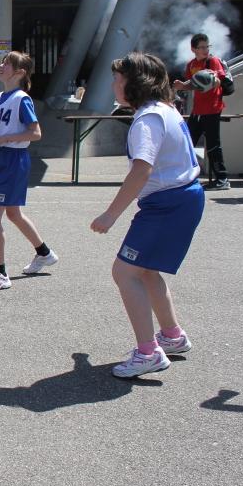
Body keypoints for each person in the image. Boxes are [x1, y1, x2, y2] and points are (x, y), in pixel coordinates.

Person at [91, 52, 204, 378]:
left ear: (135, 83)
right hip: (183, 199)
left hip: (166, 204)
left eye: (118, 78)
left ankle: (148, 353)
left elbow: (142, 169)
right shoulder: (165, 110)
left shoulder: (147, 119)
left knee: (124, 272)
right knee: (146, 271)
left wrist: (111, 215)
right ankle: (171, 336)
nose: (114, 84)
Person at [0, 51, 58, 293]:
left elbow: (35, 133)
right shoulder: (0, 97)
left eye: (6, 63)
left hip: (13, 159)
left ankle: (0, 273)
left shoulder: (22, 99)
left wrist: (6, 138)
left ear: (20, 72)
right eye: (1, 62)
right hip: (1, 157)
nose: (1, 66)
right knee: (13, 213)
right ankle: (44, 252)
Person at [172, 33, 230, 190]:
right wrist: (182, 86)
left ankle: (222, 179)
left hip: (212, 108)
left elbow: (218, 80)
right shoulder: (191, 64)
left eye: (207, 46)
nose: (205, 50)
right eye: (202, 47)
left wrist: (213, 80)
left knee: (213, 145)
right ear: (193, 49)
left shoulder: (213, 61)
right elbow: (193, 84)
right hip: (198, 110)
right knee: (187, 142)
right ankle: (186, 176)